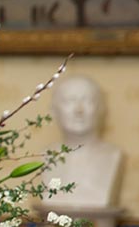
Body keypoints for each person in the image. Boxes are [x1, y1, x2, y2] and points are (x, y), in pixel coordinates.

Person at [42, 75, 123, 209]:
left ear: (101, 109)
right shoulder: (45, 156)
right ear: (53, 110)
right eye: (69, 101)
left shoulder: (113, 155)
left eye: (88, 101)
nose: (79, 110)